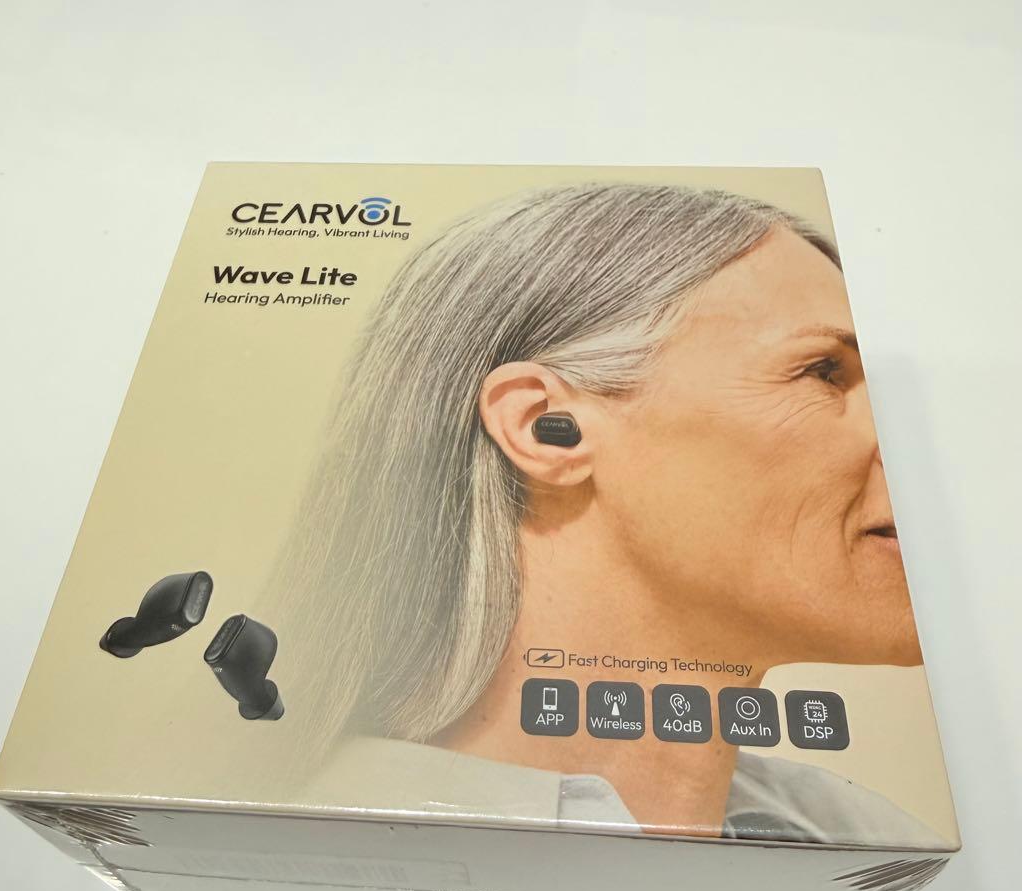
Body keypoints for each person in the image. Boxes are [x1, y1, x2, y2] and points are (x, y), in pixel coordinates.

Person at [269, 183, 945, 848]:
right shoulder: (313, 839)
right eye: (824, 371)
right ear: (545, 428)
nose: (902, 438)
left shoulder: (867, 842)